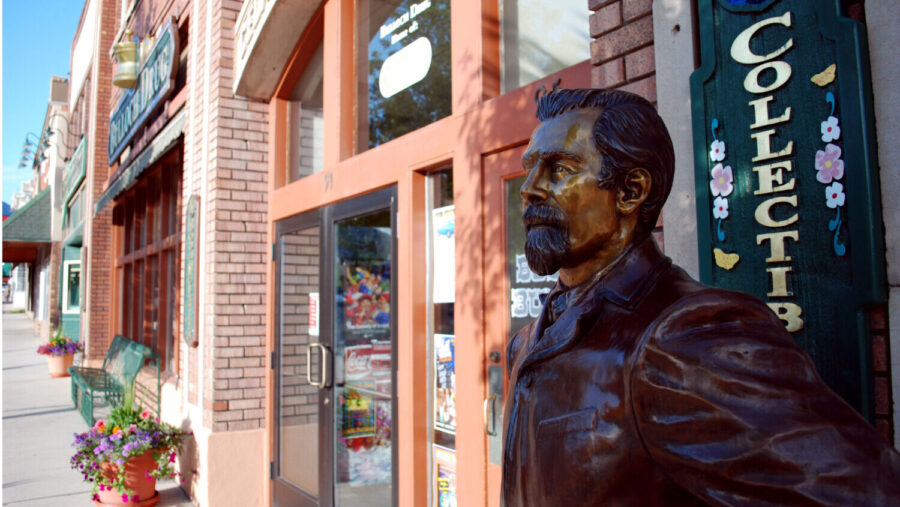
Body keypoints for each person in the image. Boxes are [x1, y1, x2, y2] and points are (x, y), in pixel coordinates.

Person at [501, 88, 900, 506]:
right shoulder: (525, 342)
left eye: (560, 169)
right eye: (530, 169)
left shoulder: (686, 333)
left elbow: (865, 493)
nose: (529, 189)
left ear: (630, 191)